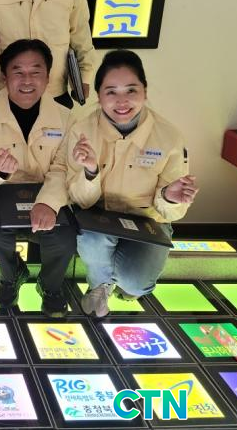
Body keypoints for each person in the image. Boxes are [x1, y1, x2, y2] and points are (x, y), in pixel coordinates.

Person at [38, 50, 199, 317]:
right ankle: (100, 284)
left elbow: (172, 213)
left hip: (148, 221)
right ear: (99, 95)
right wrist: (90, 171)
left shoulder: (169, 137)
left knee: (137, 284)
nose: (121, 101)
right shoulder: (82, 130)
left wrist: (169, 196)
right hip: (99, 218)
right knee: (92, 240)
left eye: (131, 90)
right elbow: (81, 201)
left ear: (145, 91)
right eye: (111, 92)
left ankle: (122, 281)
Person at [0, 39, 76, 318]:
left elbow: (63, 168)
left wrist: (48, 203)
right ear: (4, 77)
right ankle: (11, 274)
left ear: (48, 77)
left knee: (65, 239)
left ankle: (50, 285)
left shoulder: (68, 119)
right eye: (18, 72)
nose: (27, 80)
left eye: (36, 72)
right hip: (0, 194)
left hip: (49, 195)